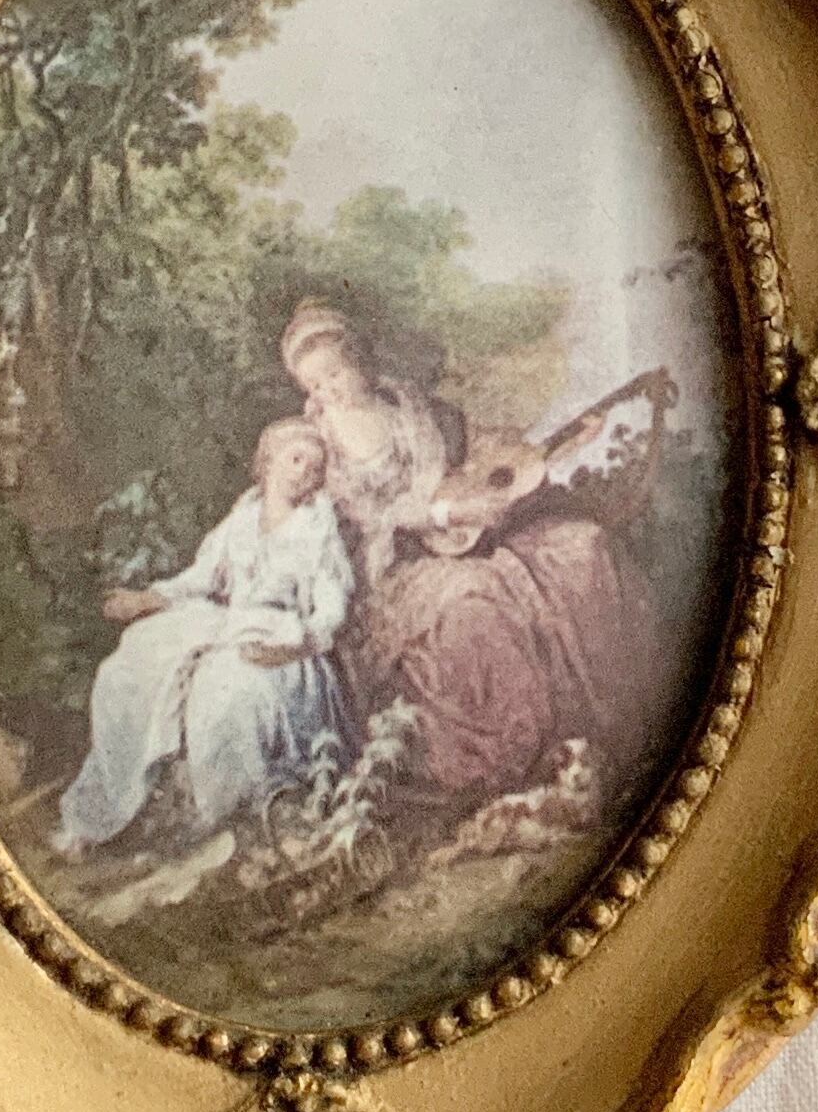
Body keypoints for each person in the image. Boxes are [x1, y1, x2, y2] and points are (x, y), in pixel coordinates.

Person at [278, 300, 662, 802]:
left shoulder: (409, 405)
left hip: (469, 537)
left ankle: (612, 721)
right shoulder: (320, 444)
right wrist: (445, 514)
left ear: (358, 359)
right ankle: (518, 757)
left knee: (580, 546)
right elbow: (364, 519)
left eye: (334, 373)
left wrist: (566, 443)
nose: (328, 390)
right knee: (475, 599)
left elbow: (493, 455)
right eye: (314, 385)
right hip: (394, 567)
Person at [54, 418, 357, 856]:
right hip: (229, 623)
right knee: (130, 667)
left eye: (316, 468)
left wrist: (297, 644)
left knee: (227, 687)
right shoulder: (243, 518)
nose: (305, 473)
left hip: (285, 642)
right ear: (269, 459)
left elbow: (331, 609)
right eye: (296, 459)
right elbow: (201, 578)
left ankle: (230, 817)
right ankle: (105, 810)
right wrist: (148, 598)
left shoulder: (317, 529)